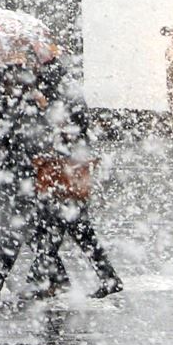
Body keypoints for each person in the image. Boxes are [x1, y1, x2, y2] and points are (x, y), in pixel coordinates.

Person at [26, 59, 123, 299]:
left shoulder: (59, 99)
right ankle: (53, 278)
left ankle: (50, 278)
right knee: (67, 228)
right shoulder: (67, 93)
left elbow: (67, 130)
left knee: (53, 228)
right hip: (67, 171)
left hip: (64, 171)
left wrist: (44, 107)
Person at [0, 62, 50, 299]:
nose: (5, 85)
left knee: (12, 230)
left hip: (24, 179)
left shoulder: (33, 106)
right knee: (33, 234)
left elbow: (29, 143)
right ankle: (55, 276)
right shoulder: (5, 104)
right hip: (9, 178)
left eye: (10, 81)